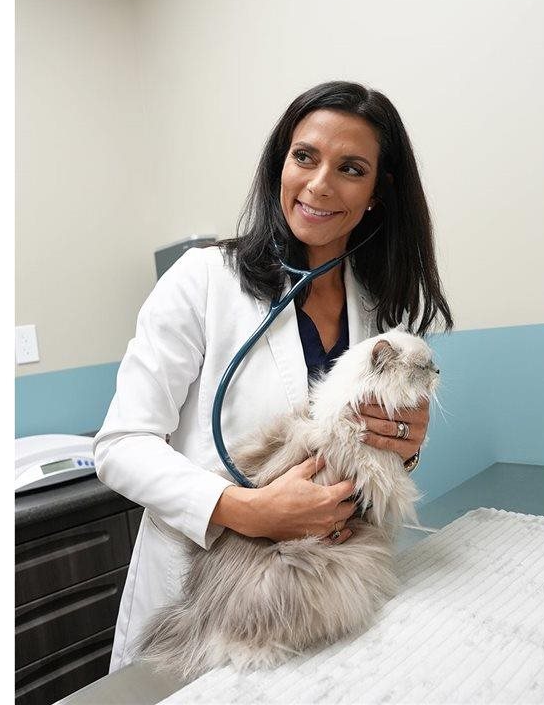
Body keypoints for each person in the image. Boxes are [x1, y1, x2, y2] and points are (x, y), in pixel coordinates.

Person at [93, 81, 453, 673]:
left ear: (377, 194)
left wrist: (402, 450)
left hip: (321, 599)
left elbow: (354, 452)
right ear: (279, 162)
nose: (318, 184)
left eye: (352, 168)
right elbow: (120, 447)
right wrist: (245, 510)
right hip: (211, 600)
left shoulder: (377, 313)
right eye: (304, 156)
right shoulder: (203, 280)